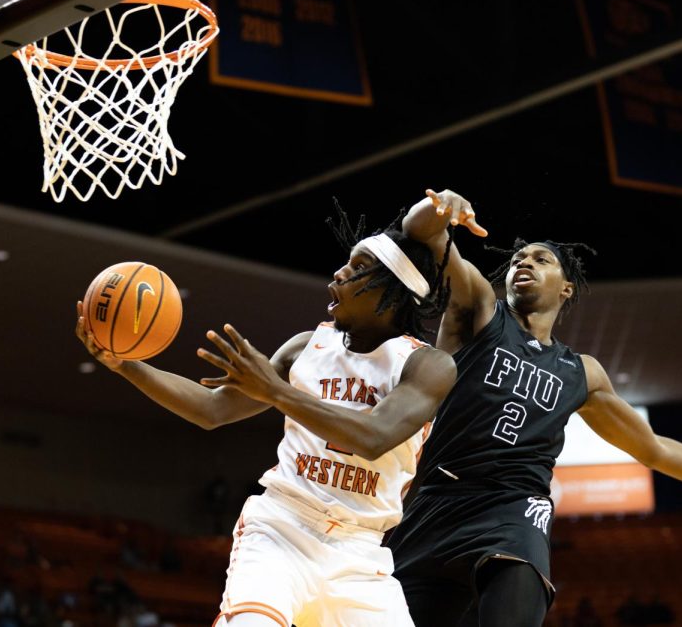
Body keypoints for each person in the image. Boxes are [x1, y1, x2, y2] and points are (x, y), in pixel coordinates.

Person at [385, 189, 682, 627]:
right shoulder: (478, 311)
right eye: (518, 259)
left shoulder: (581, 372)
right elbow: (419, 234)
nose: (524, 263)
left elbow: (654, 449)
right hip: (433, 503)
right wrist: (439, 207)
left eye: (541, 259)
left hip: (513, 509)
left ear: (566, 288)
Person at [75, 203, 457, 627]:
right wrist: (124, 364)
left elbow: (373, 436)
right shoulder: (305, 348)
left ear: (392, 289)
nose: (338, 274)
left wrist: (276, 391)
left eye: (358, 267)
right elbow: (212, 409)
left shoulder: (427, 366)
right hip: (283, 529)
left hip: (360, 554)